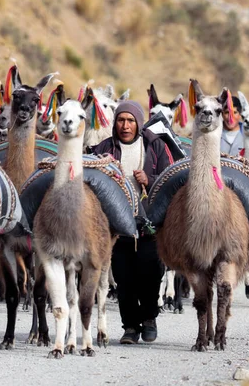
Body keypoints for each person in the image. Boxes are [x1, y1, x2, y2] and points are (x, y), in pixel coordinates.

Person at [92, 101, 173, 344]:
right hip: (116, 223)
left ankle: (149, 318)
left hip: (149, 221)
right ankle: (130, 327)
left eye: (130, 121)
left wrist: (150, 178)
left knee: (150, 272)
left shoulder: (155, 145)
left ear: (138, 122)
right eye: (120, 120)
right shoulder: (104, 148)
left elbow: (171, 179)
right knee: (123, 275)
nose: (125, 126)